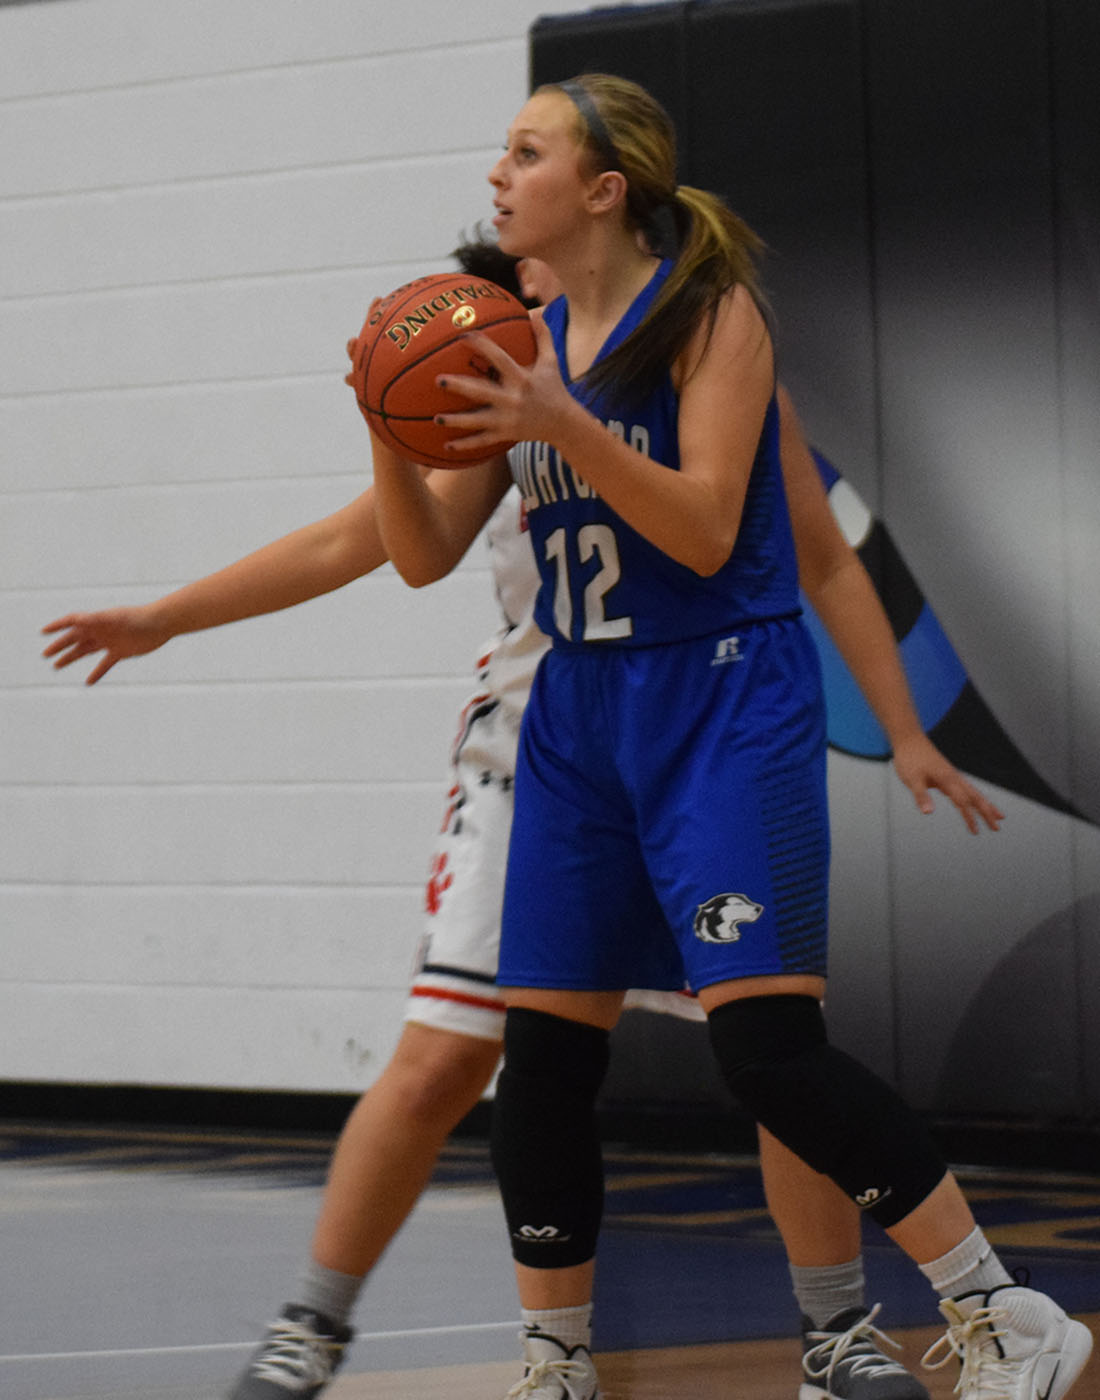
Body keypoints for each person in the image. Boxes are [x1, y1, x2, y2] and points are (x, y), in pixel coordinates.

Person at [38, 256, 1000, 1400]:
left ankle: (835, 1327)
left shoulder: (706, 364)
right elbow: (369, 541)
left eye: (532, 174)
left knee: (772, 1049)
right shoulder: (494, 375)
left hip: (698, 735)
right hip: (541, 751)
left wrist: (902, 728)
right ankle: (325, 1321)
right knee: (452, 1051)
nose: (533, 248)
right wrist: (165, 613)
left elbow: (820, 552)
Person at [361, 74, 1093, 1400]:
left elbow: (707, 526)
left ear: (603, 188)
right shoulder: (515, 339)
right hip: (580, 714)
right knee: (544, 1059)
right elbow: (419, 557)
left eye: (524, 153)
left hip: (722, 699)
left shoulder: (710, 315)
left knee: (764, 1051)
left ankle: (1001, 1311)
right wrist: (380, 419)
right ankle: (557, 1360)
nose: (496, 176)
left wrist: (562, 423)